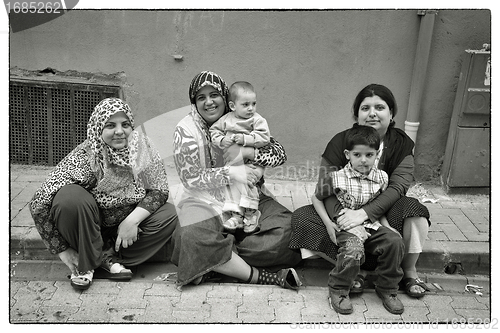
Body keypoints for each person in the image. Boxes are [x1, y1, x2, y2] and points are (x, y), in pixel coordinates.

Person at [290, 83, 431, 314]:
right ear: (357, 114)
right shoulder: (341, 141)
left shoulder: (402, 144)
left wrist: (365, 215)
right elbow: (325, 189)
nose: (372, 113)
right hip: (344, 213)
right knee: (302, 219)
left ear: (391, 113)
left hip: (382, 211)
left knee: (413, 211)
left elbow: (397, 188)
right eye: (365, 108)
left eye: (380, 107)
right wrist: (342, 220)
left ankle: (405, 275)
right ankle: (350, 277)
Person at [171, 70, 302, 290]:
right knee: (190, 235)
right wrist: (232, 173)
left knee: (290, 231)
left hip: (249, 198)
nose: (209, 102)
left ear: (226, 99)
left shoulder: (244, 116)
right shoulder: (185, 130)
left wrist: (248, 154)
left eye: (214, 94)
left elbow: (278, 152)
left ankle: (215, 258)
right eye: (201, 97)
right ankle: (258, 274)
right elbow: (190, 179)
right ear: (194, 102)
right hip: (205, 201)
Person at [29, 98, 178, 290]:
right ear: (98, 128)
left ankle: (100, 258)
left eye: (125, 124)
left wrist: (131, 221)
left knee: (169, 214)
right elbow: (38, 203)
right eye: (110, 125)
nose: (119, 131)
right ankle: (93, 259)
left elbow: (159, 189)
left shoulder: (143, 148)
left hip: (124, 228)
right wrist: (62, 250)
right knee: (68, 198)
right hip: (88, 225)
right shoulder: (86, 156)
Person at [210, 81, 270, 233]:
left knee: (248, 182)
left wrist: (246, 140)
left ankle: (251, 213)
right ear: (232, 106)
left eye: (253, 104)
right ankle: (236, 215)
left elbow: (264, 137)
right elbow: (213, 132)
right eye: (245, 104)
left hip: (252, 162)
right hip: (234, 163)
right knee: (232, 185)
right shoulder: (226, 120)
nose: (251, 108)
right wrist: (223, 140)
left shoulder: (257, 120)